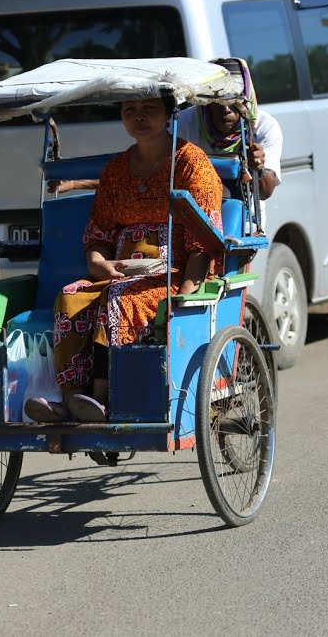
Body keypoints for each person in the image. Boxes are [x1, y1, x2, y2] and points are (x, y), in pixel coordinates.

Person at [24, 96, 224, 423]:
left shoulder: (191, 164)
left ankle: (101, 400)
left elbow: (203, 242)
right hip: (118, 276)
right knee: (71, 297)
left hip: (173, 278)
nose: (138, 117)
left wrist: (185, 299)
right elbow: (98, 234)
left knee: (118, 299)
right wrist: (98, 263)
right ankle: (72, 398)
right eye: (130, 110)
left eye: (149, 109)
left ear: (168, 113)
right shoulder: (116, 170)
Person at [49, 59, 282, 228]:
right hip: (182, 216)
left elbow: (266, 190)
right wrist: (77, 183)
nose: (227, 110)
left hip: (239, 221)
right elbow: (145, 178)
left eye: (234, 104)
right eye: (218, 103)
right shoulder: (186, 123)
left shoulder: (264, 127)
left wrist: (257, 169)